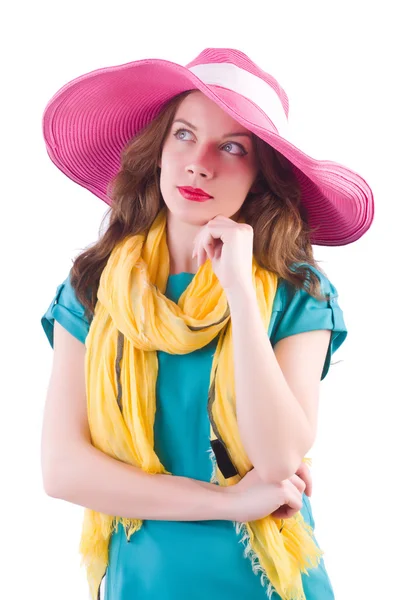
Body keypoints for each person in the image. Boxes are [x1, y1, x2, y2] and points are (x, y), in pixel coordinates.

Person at [40, 48, 374, 600]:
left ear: (261, 176)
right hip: (144, 582)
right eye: (184, 135)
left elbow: (278, 457)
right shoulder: (92, 290)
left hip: (268, 583)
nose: (200, 163)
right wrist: (227, 503)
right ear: (158, 150)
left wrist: (242, 295)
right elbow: (63, 470)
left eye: (232, 147)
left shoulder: (295, 292)